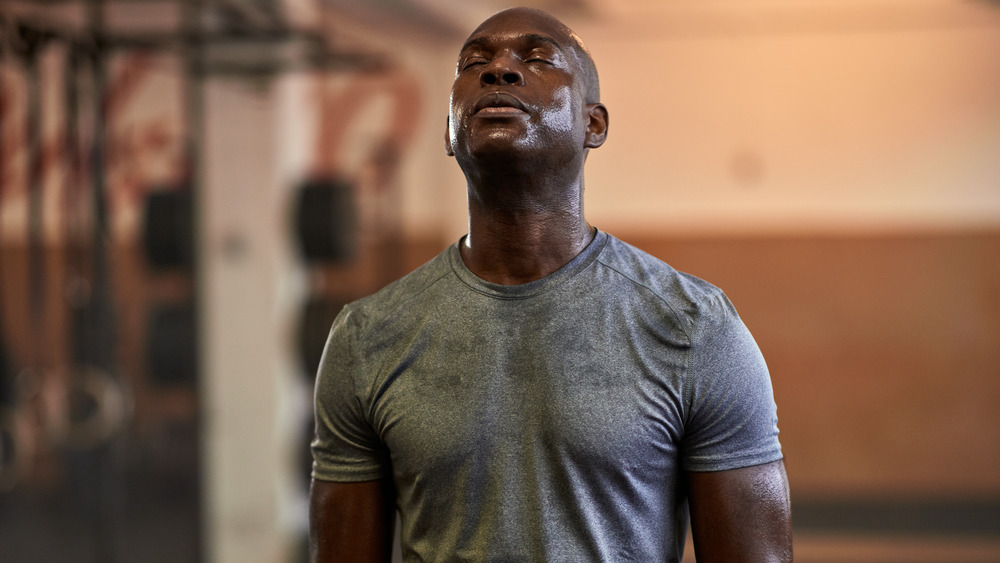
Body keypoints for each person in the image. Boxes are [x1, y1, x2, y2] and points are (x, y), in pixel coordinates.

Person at [310, 7, 792, 562]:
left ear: (594, 124)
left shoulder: (694, 329)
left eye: (537, 58)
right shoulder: (366, 339)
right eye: (474, 63)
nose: (499, 71)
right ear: (448, 130)